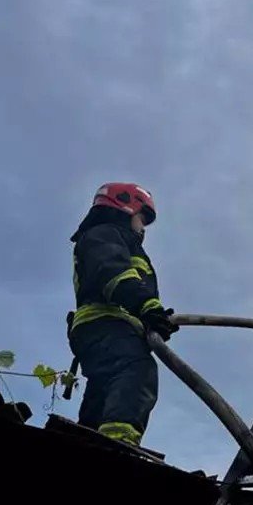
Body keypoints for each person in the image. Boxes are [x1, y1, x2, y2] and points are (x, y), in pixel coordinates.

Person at [67, 182, 178, 447]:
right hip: (108, 322)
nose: (143, 229)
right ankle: (118, 443)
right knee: (136, 369)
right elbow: (114, 273)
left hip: (101, 327)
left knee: (103, 387)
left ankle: (89, 439)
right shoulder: (105, 234)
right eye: (142, 219)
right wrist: (148, 308)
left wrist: (150, 318)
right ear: (126, 208)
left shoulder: (105, 237)